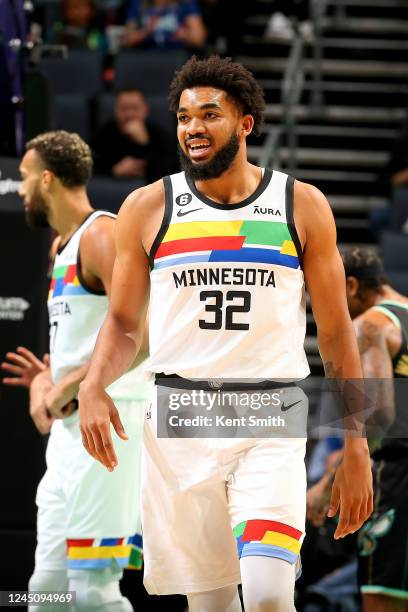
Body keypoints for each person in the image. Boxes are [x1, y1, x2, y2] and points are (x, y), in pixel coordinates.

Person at [78, 56, 373, 611]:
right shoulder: (147, 208)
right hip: (178, 420)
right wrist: (95, 384)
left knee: (266, 597)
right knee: (211, 605)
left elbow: (337, 335)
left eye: (209, 114)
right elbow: (121, 323)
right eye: (185, 116)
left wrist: (356, 444)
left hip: (268, 417)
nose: (193, 127)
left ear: (245, 124)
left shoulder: (300, 204)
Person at [4, 130, 147, 611]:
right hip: (70, 433)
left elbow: (146, 332)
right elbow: (85, 343)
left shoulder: (101, 235)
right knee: (45, 590)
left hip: (111, 424)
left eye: (24, 179)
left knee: (93, 586)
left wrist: (74, 384)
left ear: (46, 179)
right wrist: (47, 381)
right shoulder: (60, 246)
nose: (20, 190)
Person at [307, 246, 408, 612]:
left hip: (398, 479)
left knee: (382, 602)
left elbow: (378, 413)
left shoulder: (369, 325)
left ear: (350, 285)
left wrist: (329, 482)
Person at [92, 87, 177, 183]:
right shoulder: (104, 134)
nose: (129, 114)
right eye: (123, 109)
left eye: (135, 108)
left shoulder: (159, 135)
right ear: (115, 111)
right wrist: (113, 170)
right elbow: (90, 167)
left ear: (145, 110)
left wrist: (144, 143)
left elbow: (169, 171)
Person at [123, 0, 206, 50]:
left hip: (177, 57)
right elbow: (127, 39)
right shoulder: (138, 3)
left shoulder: (185, 2)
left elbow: (199, 39)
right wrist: (146, 31)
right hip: (145, 58)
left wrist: (184, 34)